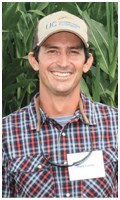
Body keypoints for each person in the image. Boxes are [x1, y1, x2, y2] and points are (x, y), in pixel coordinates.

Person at [2, 11, 118, 198]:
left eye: (73, 52)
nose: (63, 63)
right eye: (52, 51)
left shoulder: (115, 125)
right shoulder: (5, 134)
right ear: (34, 60)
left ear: (87, 62)